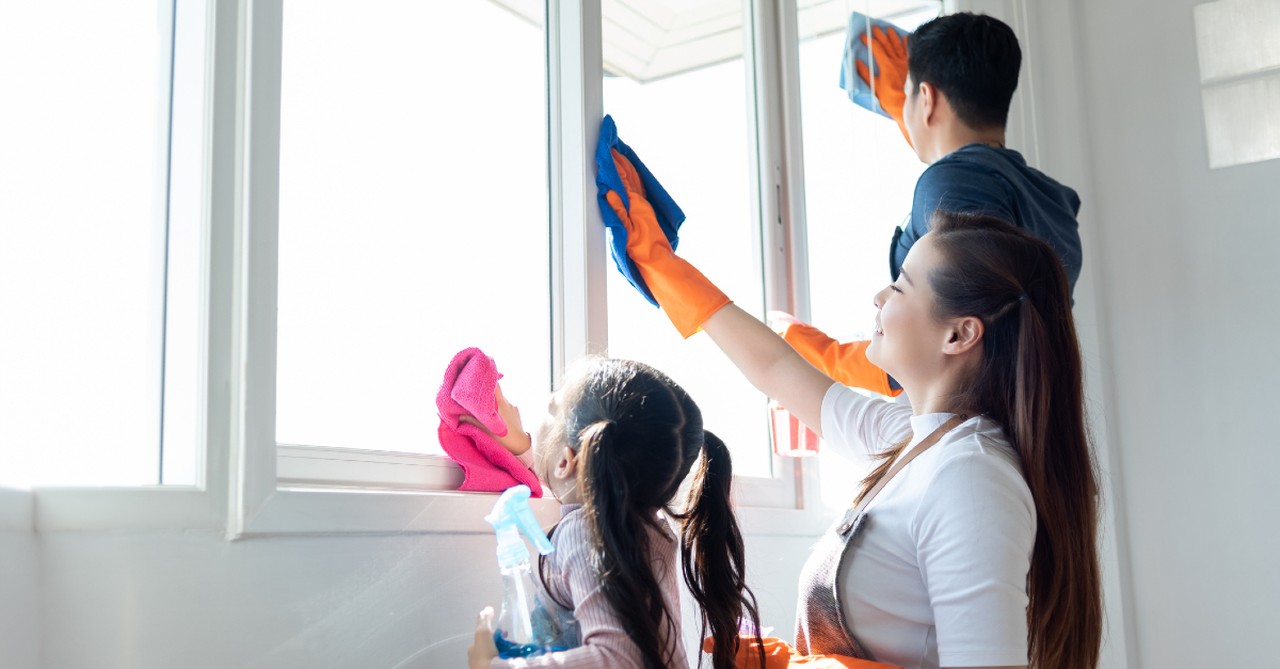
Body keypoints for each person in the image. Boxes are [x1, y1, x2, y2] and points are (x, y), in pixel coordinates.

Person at [602, 149, 1103, 667]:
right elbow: (776, 368)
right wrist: (662, 264)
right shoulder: (912, 438)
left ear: (959, 334)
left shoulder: (971, 478)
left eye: (902, 285)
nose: (879, 297)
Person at [780, 12, 1084, 399]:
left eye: (906, 93)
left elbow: (955, 332)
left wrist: (816, 351)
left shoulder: (950, 182)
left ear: (926, 98)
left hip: (970, 424)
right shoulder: (1051, 197)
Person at [467, 357, 764, 669]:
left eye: (551, 407)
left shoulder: (585, 533)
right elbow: (579, 479)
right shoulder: (643, 527)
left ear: (567, 462)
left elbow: (620, 658)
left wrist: (493, 667)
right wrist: (517, 445)